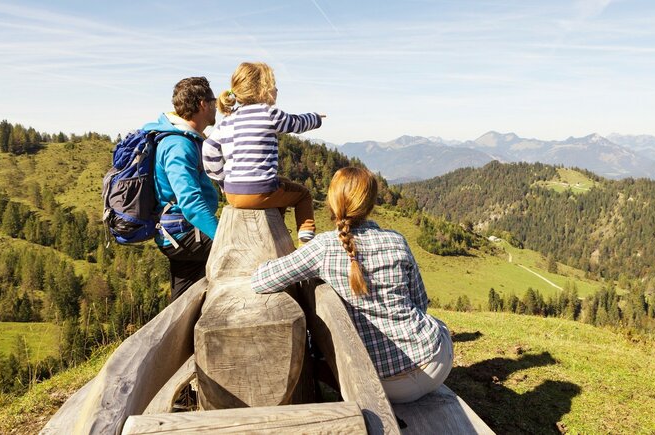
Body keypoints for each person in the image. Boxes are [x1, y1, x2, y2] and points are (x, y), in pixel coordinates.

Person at [251, 167, 453, 403]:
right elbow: (420, 304)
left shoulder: (324, 247)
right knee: (440, 327)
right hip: (435, 367)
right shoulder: (397, 240)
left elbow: (261, 280)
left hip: (380, 384)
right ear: (370, 204)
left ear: (332, 202)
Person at [202, 62, 324, 243]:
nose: (276, 89)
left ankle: (278, 226)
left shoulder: (228, 120)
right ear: (263, 89)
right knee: (303, 195)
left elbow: (209, 149)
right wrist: (316, 118)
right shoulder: (268, 113)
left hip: (233, 195)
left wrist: (223, 180)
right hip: (261, 191)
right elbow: (296, 123)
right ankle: (306, 237)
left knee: (284, 183)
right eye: (273, 85)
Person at [143, 76, 220, 301]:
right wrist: (222, 237)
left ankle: (179, 333)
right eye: (213, 101)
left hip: (176, 233)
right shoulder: (179, 145)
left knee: (184, 300)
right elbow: (191, 203)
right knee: (248, 254)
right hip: (184, 234)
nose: (216, 106)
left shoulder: (185, 138)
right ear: (202, 104)